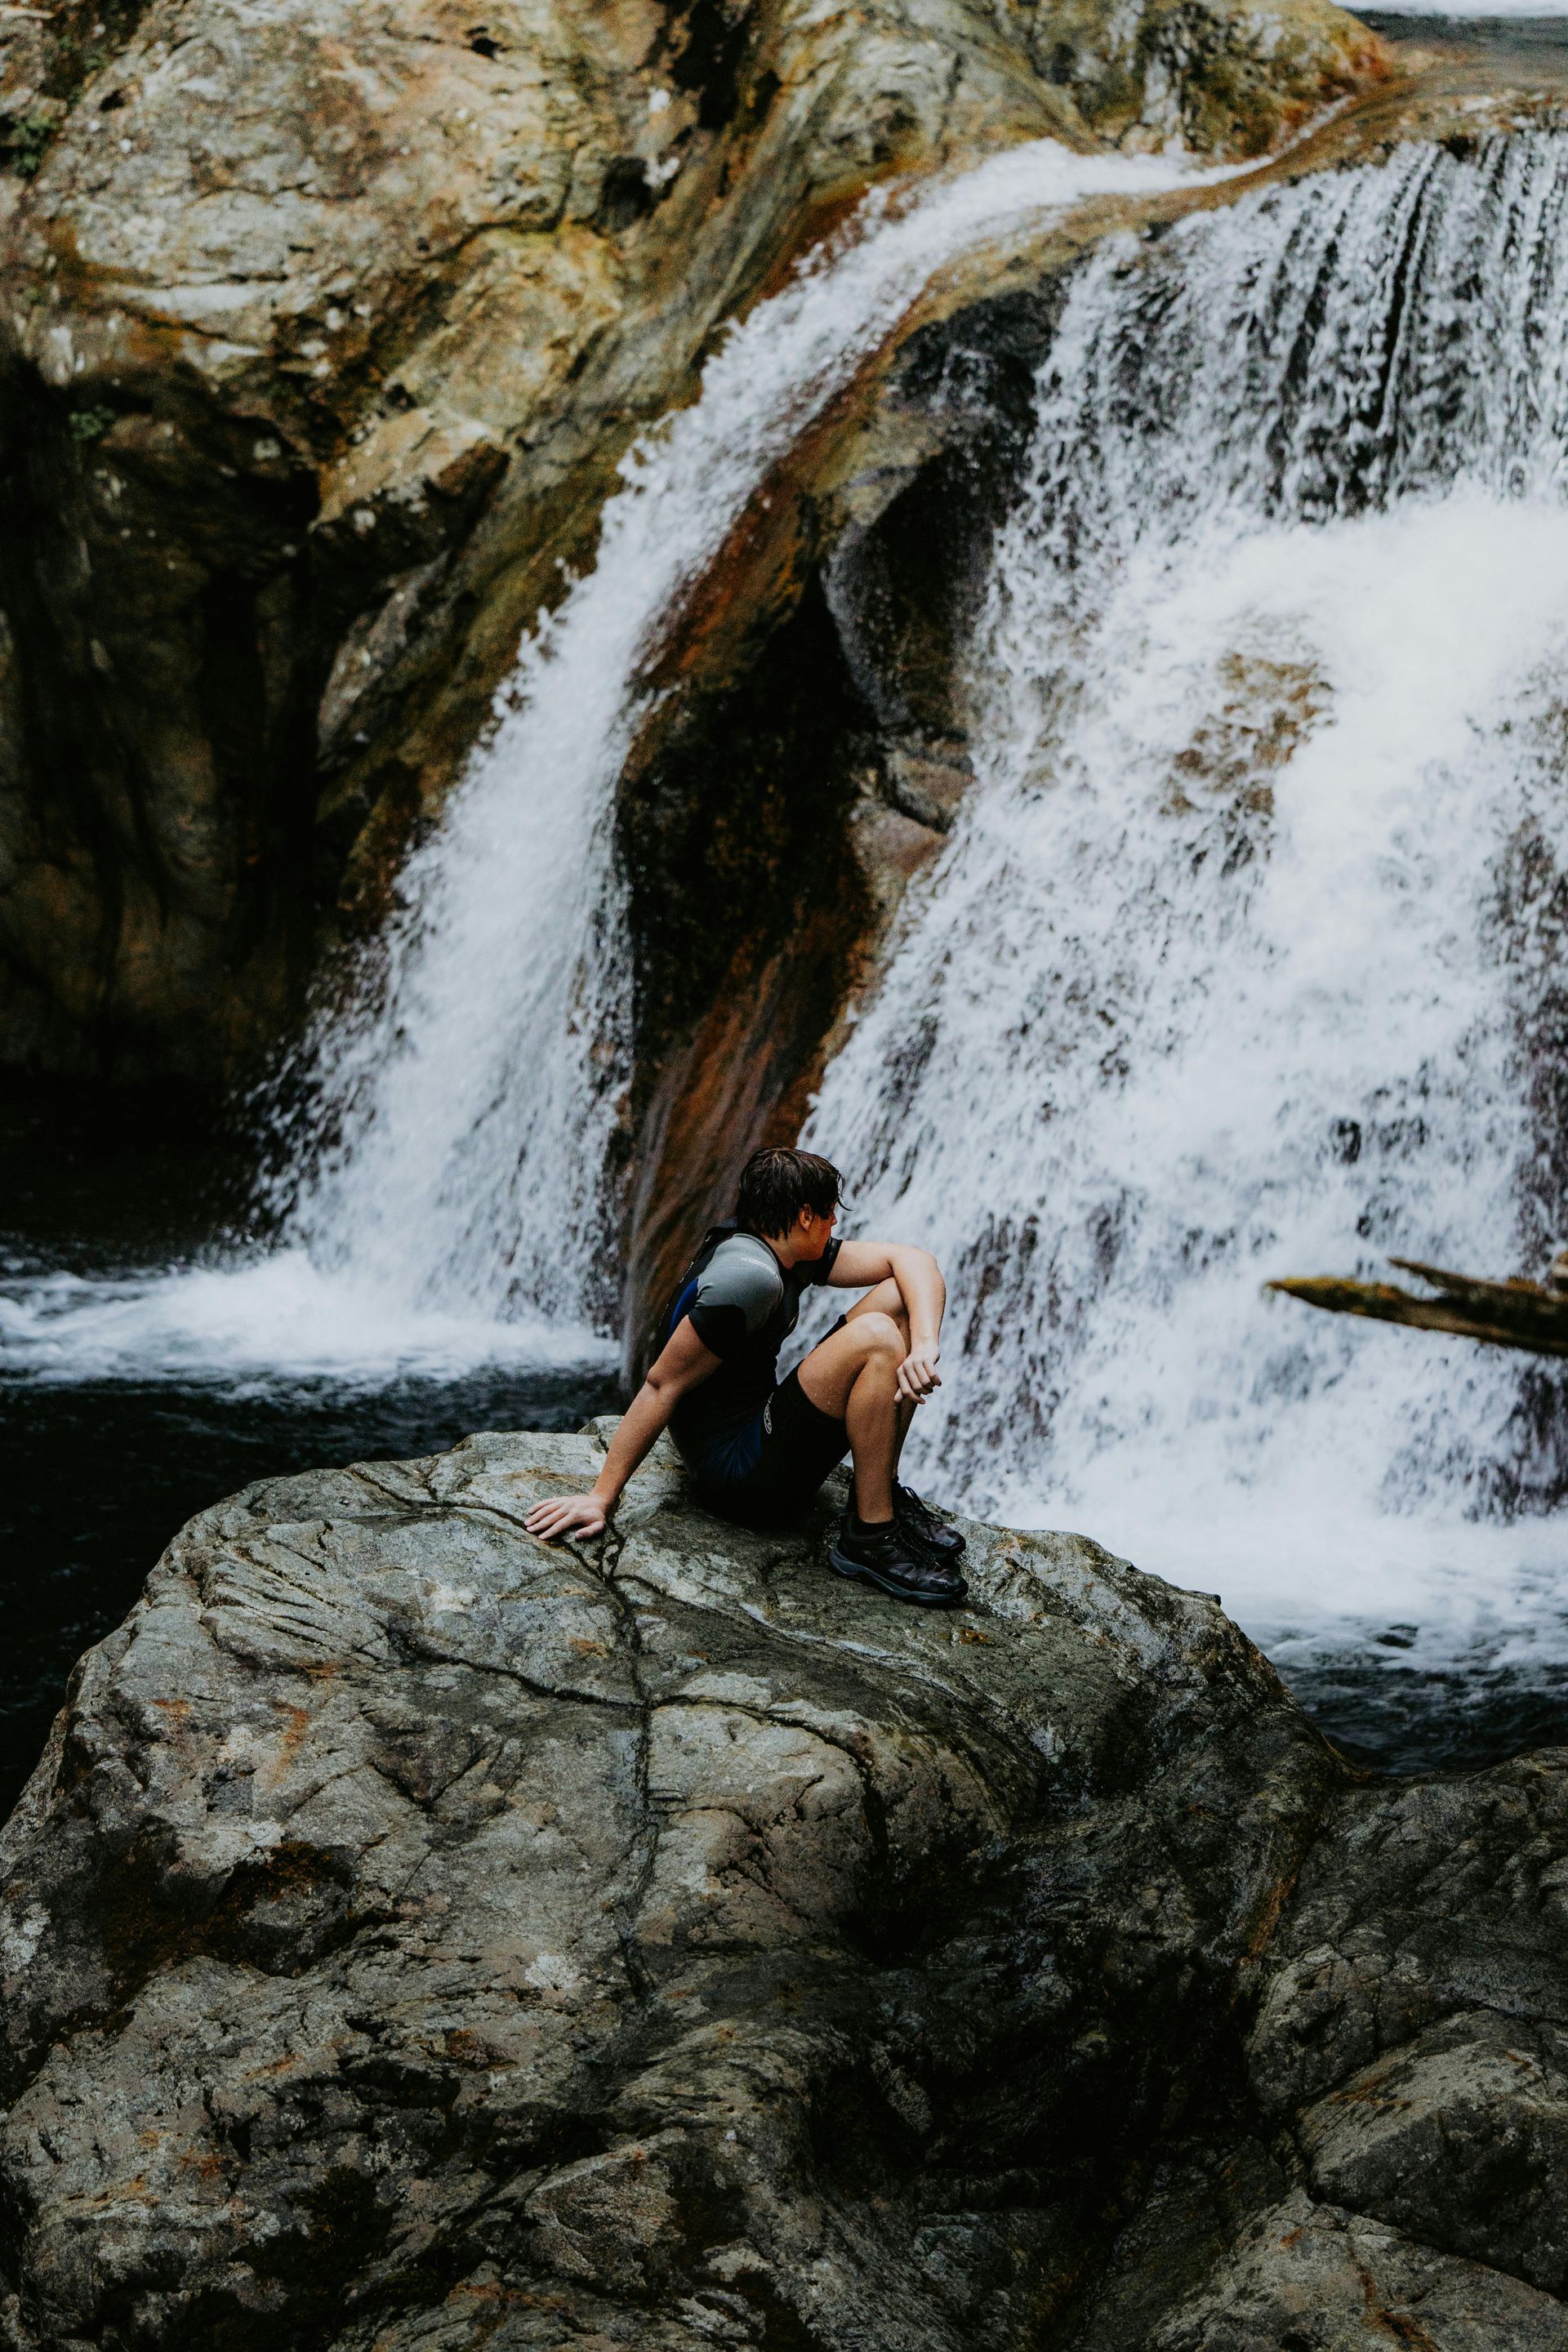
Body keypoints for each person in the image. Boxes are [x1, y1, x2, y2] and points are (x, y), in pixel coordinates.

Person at [523, 1147, 966, 1606]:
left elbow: (915, 1263)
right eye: (830, 1213)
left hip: (757, 1425)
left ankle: (880, 1493)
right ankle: (871, 1536)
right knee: (878, 1337)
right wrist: (601, 1497)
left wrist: (926, 1346)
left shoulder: (779, 1248)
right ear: (805, 1216)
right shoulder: (751, 1281)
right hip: (737, 1476)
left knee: (904, 1300)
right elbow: (661, 1384)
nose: (836, 1223)